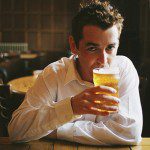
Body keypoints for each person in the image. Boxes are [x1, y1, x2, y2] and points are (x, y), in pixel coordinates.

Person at [8, 0, 143, 145]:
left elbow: (130, 133)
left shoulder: (123, 69)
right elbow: (16, 131)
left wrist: (56, 129)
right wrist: (71, 107)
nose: (103, 60)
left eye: (110, 47)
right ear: (74, 45)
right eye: (92, 48)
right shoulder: (54, 73)